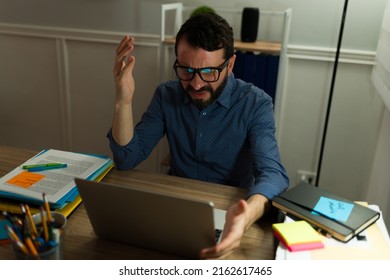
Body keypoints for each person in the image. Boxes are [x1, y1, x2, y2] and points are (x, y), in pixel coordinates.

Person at [107, 13, 289, 259]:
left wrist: (245, 217)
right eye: (186, 70)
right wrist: (123, 100)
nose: (196, 83)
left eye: (208, 72)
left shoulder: (256, 104)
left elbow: (274, 175)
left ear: (231, 64)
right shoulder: (166, 95)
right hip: (177, 210)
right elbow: (127, 158)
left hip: (232, 212)